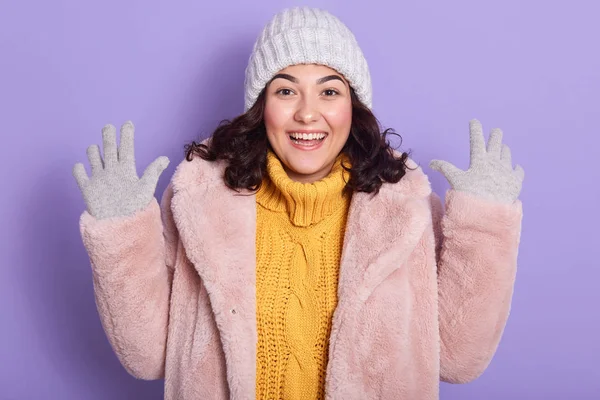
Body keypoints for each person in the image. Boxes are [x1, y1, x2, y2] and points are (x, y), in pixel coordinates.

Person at [73, 6, 525, 400]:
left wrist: (484, 226)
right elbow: (146, 358)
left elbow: (459, 360)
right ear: (260, 106)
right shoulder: (199, 204)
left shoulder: (404, 212)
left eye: (329, 91)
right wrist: (121, 232)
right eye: (286, 90)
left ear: (354, 108)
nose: (308, 113)